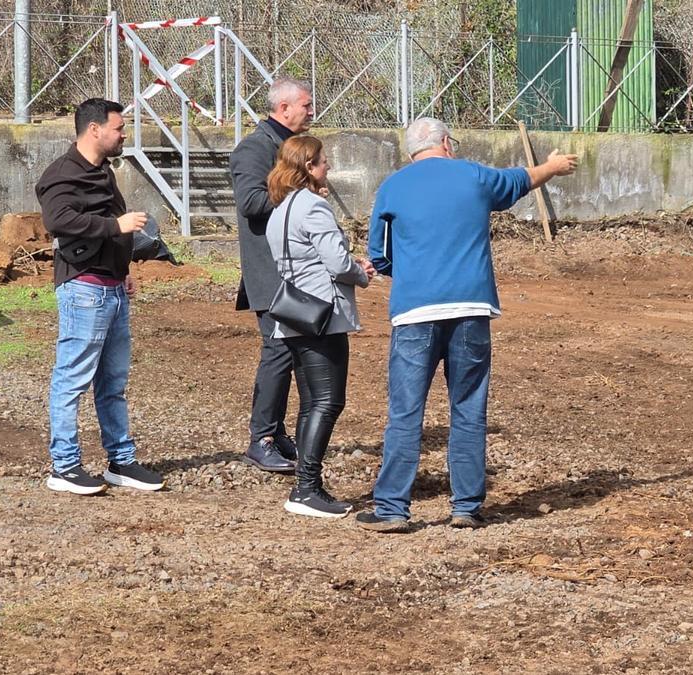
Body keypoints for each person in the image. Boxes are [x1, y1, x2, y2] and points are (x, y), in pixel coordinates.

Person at [356, 117, 577, 532]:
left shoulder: (392, 187)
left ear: (412, 153)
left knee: (405, 411)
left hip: (415, 311)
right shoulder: (474, 176)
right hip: (471, 307)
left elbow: (380, 256)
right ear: (446, 143)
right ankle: (466, 507)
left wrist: (413, 271)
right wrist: (552, 166)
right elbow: (519, 181)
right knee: (469, 407)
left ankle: (391, 510)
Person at [35, 98, 165, 495]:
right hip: (84, 289)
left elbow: (111, 230)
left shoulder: (102, 171)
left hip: (112, 286)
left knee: (113, 381)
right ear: (94, 130)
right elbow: (58, 220)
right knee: (72, 379)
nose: (123, 134)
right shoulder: (62, 174)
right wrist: (116, 225)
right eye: (119, 128)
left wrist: (122, 271)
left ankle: (120, 461)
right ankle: (64, 466)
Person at [265, 136, 375, 518]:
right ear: (309, 166)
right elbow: (336, 264)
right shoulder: (313, 206)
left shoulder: (280, 209)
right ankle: (306, 488)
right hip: (322, 316)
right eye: (324, 161)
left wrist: (347, 263)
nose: (328, 166)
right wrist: (360, 272)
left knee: (313, 401)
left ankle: (308, 486)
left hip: (294, 315)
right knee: (329, 401)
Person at [230, 77, 316, 473]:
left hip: (294, 272)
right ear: (283, 109)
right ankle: (261, 438)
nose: (311, 112)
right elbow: (251, 202)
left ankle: (277, 432)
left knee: (293, 350)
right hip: (270, 273)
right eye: (306, 105)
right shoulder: (254, 148)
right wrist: (301, 189)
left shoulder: (285, 147)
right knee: (278, 352)